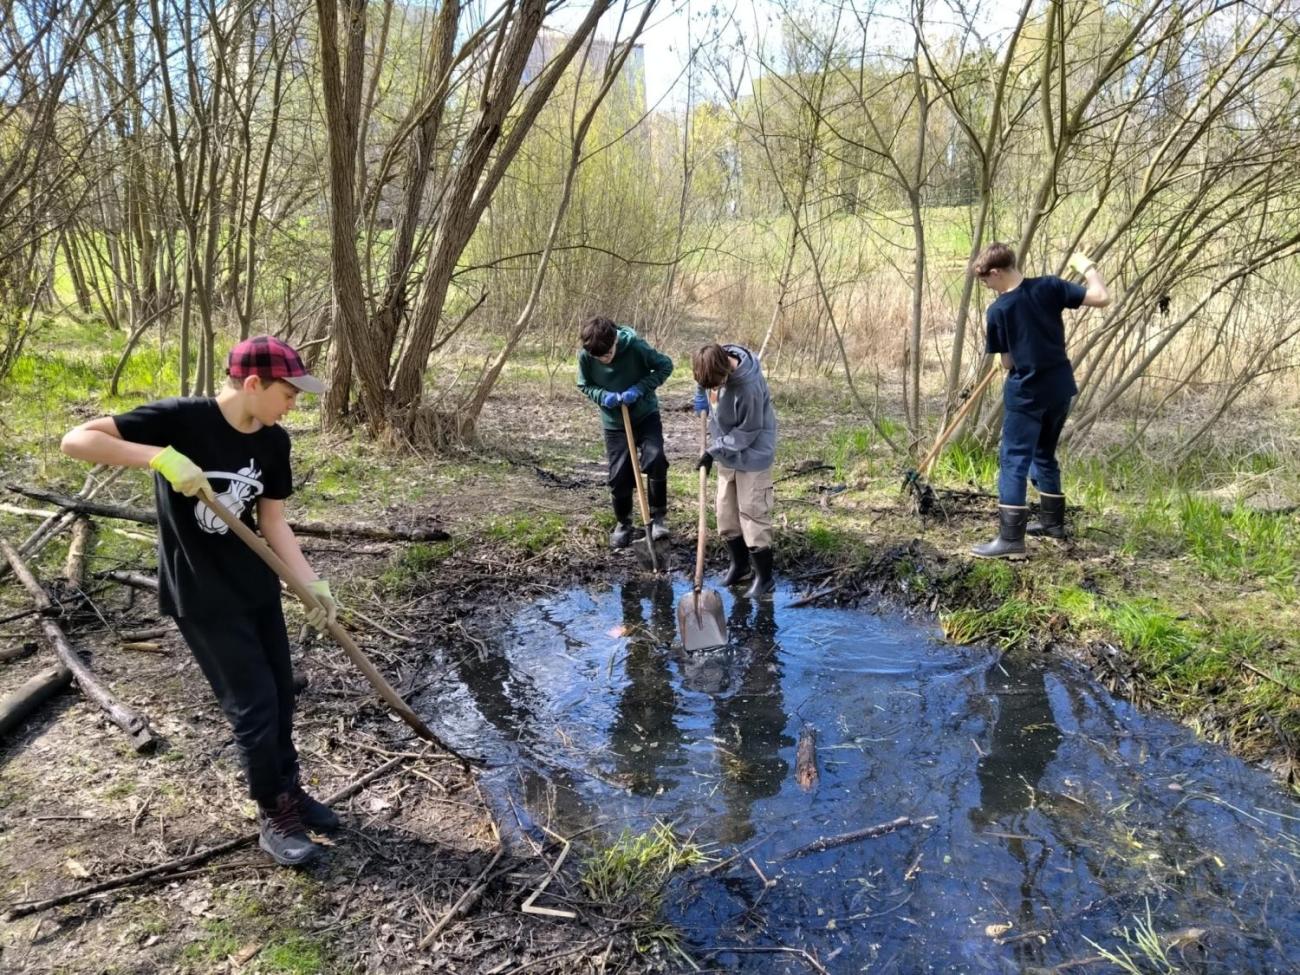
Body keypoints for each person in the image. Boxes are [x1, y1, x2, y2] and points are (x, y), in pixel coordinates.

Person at [60, 336, 340, 867]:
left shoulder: (274, 442)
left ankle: (291, 789)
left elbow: (274, 522)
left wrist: (310, 584)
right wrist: (159, 457)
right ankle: (273, 811)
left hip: (257, 588)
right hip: (202, 595)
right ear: (253, 384)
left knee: (280, 692)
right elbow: (76, 440)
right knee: (253, 704)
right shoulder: (181, 420)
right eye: (288, 392)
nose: (294, 404)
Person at [971, 244, 1110, 558]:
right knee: (1043, 453)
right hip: (1059, 388)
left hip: (1027, 392)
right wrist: (1087, 268)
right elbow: (1102, 297)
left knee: (1013, 461)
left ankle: (1010, 541)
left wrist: (1002, 361)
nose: (987, 287)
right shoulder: (1050, 286)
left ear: (995, 272)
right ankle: (1051, 525)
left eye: (986, 281)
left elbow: (1007, 363)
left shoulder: (999, 311)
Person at [576, 316, 674, 549]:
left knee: (655, 458)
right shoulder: (587, 357)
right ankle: (624, 523)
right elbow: (584, 384)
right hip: (614, 422)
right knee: (619, 475)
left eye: (608, 354)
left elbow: (665, 365)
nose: (604, 359)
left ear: (615, 341)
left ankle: (658, 517)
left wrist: (639, 389)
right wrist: (602, 396)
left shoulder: (636, 347)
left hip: (645, 414)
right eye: (599, 357)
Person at [692, 342, 778, 597]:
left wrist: (713, 450)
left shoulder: (749, 386)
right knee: (725, 513)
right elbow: (704, 381)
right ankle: (739, 566)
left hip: (752, 453)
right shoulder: (711, 365)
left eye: (716, 384)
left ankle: (764, 579)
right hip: (726, 452)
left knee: (752, 514)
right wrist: (701, 393)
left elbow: (749, 431)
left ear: (726, 371)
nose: (714, 390)